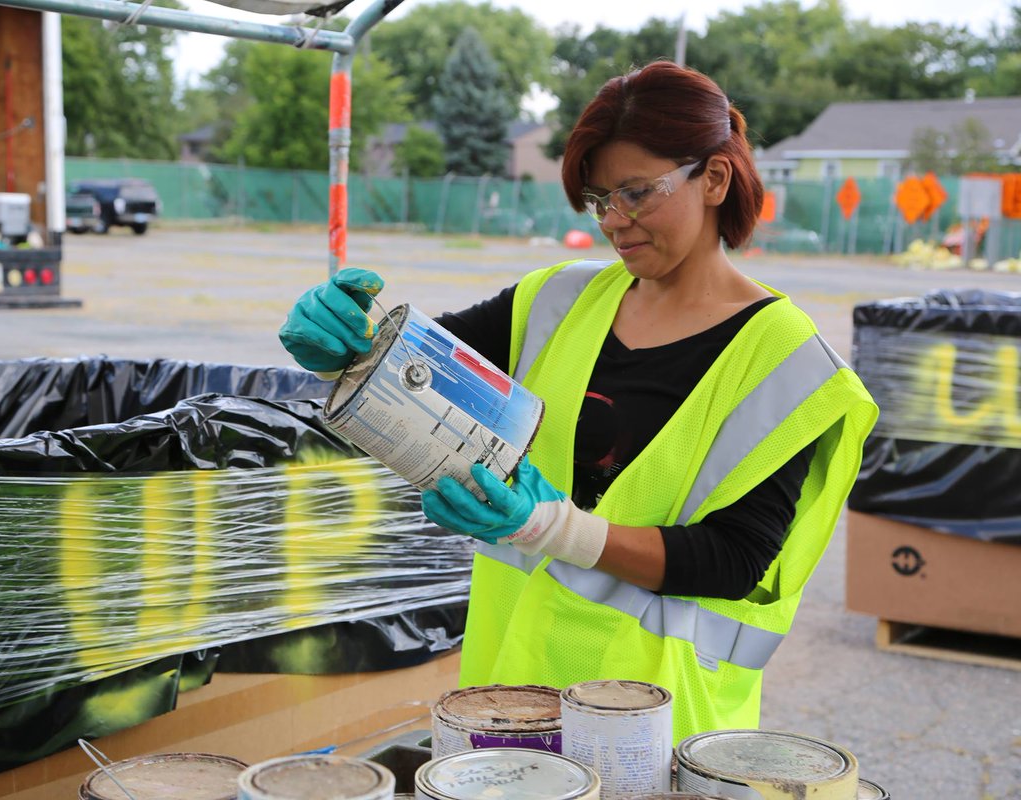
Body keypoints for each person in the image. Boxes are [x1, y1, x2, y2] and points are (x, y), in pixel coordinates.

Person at [278, 61, 878, 741]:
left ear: (714, 178)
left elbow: (736, 560)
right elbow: (413, 369)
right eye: (599, 200)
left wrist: (551, 528)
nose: (613, 222)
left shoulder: (783, 359)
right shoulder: (556, 301)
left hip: (656, 721)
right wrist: (349, 346)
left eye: (636, 194)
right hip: (511, 690)